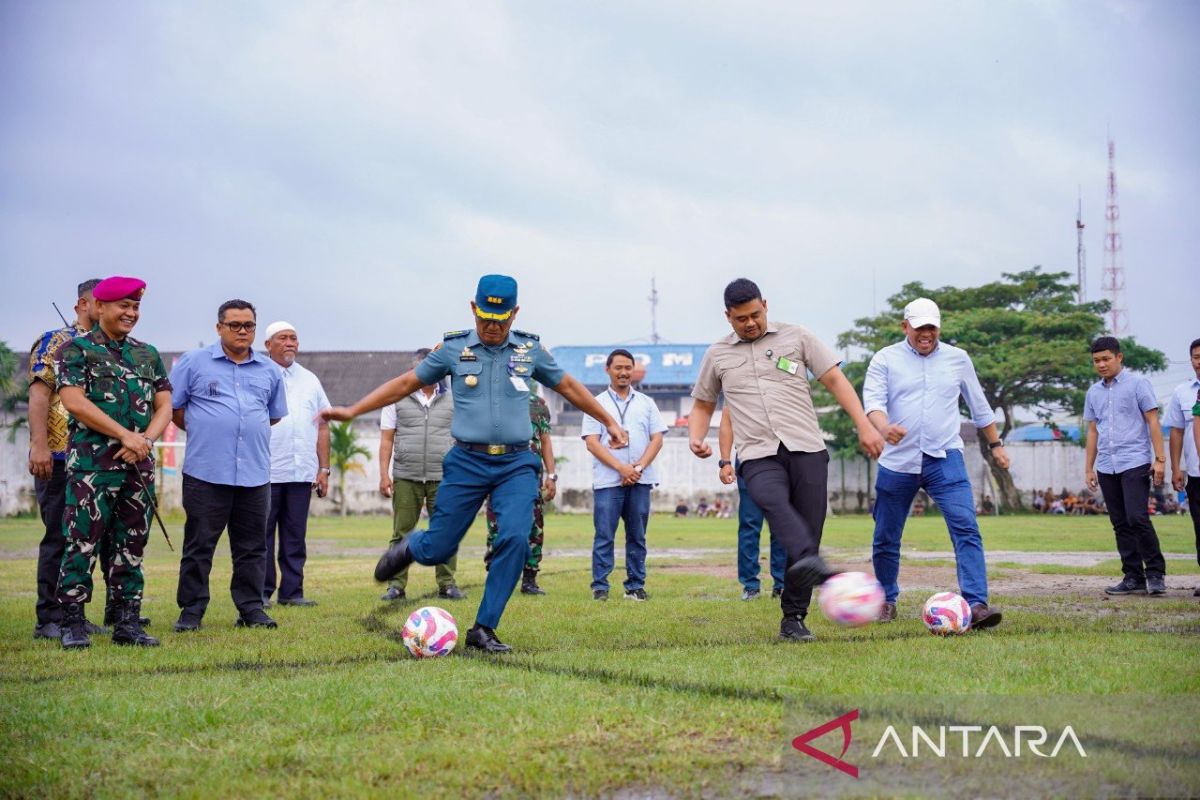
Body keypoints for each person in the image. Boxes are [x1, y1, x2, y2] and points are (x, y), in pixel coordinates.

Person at [327, 275, 626, 653]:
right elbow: (405, 384)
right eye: (485, 317)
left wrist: (610, 421)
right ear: (473, 309)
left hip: (517, 463)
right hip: (466, 461)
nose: (492, 327)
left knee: (516, 538)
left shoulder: (530, 351)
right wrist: (354, 410)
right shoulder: (453, 349)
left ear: (514, 314)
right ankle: (408, 548)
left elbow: (569, 387)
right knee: (438, 547)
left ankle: (483, 628)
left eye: (501, 320)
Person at [688, 278, 884, 643]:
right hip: (757, 453)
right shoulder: (717, 354)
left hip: (806, 448)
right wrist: (696, 438)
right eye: (741, 318)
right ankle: (812, 561)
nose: (750, 323)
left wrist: (865, 425)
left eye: (755, 315)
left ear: (765, 305)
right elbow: (702, 403)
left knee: (807, 531)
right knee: (773, 502)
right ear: (727, 316)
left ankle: (793, 618)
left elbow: (836, 380)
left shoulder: (797, 337)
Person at [863, 298, 1006, 628]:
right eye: (919, 327)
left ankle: (977, 603)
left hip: (945, 458)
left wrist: (996, 444)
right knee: (886, 535)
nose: (926, 334)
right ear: (905, 327)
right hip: (897, 461)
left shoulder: (958, 359)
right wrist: (884, 428)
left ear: (938, 327)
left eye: (931, 327)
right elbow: (872, 402)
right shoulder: (885, 359)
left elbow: (979, 407)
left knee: (966, 527)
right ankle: (886, 599)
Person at [55, 276, 172, 648]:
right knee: (82, 543)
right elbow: (73, 401)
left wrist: (146, 440)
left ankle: (127, 623)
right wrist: (125, 436)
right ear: (99, 307)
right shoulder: (75, 351)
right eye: (123, 305)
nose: (131, 313)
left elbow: (164, 404)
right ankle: (72, 623)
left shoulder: (147, 354)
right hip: (93, 465)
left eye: (135, 307)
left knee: (131, 544)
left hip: (137, 467)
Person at [170, 299, 288, 631]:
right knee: (199, 545)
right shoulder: (194, 363)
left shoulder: (268, 371)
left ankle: (251, 608)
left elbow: (273, 415)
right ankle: (191, 610)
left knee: (252, 547)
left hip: (254, 473)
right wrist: (209, 430)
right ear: (219, 327)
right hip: (206, 472)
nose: (241, 331)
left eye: (248, 325)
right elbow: (174, 409)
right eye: (234, 324)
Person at [27, 278, 108, 640]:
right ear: (82, 304)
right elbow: (40, 395)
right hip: (58, 456)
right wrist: (39, 444)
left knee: (85, 538)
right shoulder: (56, 342)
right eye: (100, 301)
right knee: (58, 535)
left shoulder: (107, 347)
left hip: (93, 458)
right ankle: (49, 618)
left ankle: (74, 613)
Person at [1083, 336, 1168, 596]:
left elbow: (1153, 421)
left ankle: (1155, 573)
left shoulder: (1138, 383)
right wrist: (1089, 468)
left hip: (1134, 460)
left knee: (1137, 517)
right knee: (1119, 522)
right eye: (1096, 360)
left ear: (1119, 357)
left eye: (1106, 359)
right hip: (1107, 464)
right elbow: (1093, 431)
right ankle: (1133, 576)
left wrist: (1160, 459)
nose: (1101, 364)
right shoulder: (1093, 392)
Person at [378, 348, 462, 601]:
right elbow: (386, 439)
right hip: (406, 475)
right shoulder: (397, 396)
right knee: (402, 532)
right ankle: (396, 586)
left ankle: (447, 584)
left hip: (444, 477)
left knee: (446, 532)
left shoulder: (455, 398)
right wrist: (384, 474)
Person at [583, 349, 667, 601]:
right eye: (618, 367)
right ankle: (601, 587)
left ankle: (635, 586)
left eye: (628, 368)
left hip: (640, 480)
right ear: (607, 369)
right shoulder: (596, 404)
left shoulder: (646, 403)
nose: (623, 372)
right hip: (609, 482)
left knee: (637, 536)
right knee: (604, 535)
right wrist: (621, 469)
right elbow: (592, 442)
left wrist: (637, 468)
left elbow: (657, 439)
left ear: (633, 370)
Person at [262, 321, 331, 608]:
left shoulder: (310, 380)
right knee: (261, 537)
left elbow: (324, 426)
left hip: (300, 472)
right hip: (264, 472)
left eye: (294, 338)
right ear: (268, 345)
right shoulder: (258, 374)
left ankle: (292, 593)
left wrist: (324, 469)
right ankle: (261, 593)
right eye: (283, 338)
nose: (290, 343)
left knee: (294, 537)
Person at [484, 385, 557, 596]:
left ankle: (529, 579)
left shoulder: (537, 403)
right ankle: (496, 577)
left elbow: (545, 441)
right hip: (498, 475)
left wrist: (552, 476)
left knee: (533, 526)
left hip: (530, 477)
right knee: (497, 526)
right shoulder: (491, 401)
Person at [718, 410, 785, 601]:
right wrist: (725, 462)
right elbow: (727, 420)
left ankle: (782, 584)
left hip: (782, 457)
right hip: (749, 458)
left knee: (782, 525)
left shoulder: (784, 382)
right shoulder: (738, 382)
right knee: (750, 524)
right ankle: (750, 585)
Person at [1164, 338, 1200, 596]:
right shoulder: (1183, 392)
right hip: (1197, 473)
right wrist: (1176, 468)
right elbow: (1176, 432)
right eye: (1196, 356)